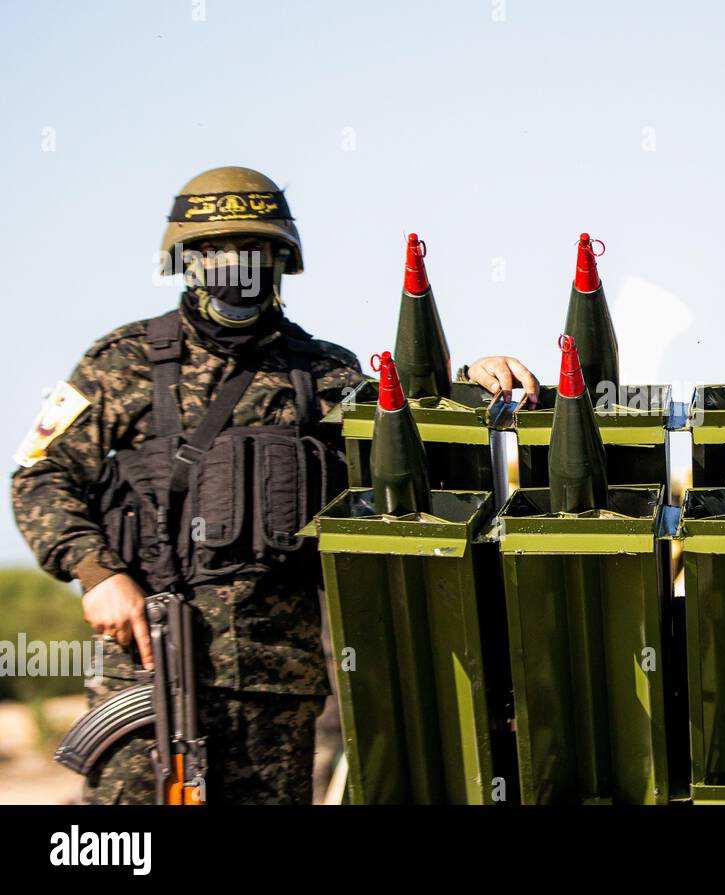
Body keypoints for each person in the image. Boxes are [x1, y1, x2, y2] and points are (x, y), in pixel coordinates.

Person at [10, 166, 538, 804]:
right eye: (217, 252)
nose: (237, 268)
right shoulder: (120, 363)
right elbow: (40, 473)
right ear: (186, 260)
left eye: (255, 252)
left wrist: (478, 374)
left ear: (281, 263)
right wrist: (96, 573)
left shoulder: (325, 374)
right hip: (144, 668)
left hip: (276, 687)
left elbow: (412, 433)